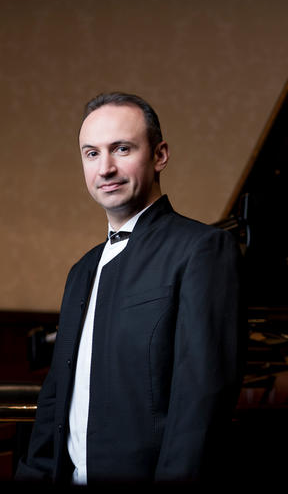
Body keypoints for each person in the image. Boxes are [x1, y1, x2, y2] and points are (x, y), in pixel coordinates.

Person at [15, 92, 246, 485]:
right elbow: (56, 395)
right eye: (91, 153)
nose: (105, 168)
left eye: (121, 149)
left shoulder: (202, 249)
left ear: (160, 156)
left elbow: (201, 405)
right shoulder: (81, 270)